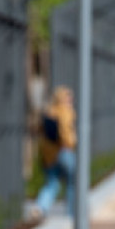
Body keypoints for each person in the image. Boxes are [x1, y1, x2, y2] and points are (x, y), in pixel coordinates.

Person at [30, 85, 77, 220]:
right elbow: (66, 134)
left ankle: (41, 206)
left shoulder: (49, 111)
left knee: (52, 182)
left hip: (48, 154)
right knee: (71, 183)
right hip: (64, 152)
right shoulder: (66, 112)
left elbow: (39, 130)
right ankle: (71, 213)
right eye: (68, 96)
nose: (70, 99)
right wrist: (72, 141)